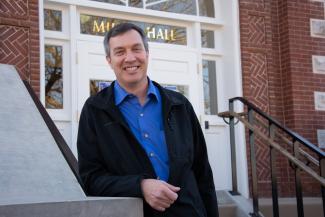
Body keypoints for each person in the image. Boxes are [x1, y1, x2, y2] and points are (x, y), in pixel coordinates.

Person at [77, 23, 219, 217]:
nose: (130, 58)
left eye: (136, 49)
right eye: (120, 52)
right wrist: (140, 186)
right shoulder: (94, 110)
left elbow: (202, 172)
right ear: (109, 60)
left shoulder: (180, 105)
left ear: (147, 53)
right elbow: (90, 179)